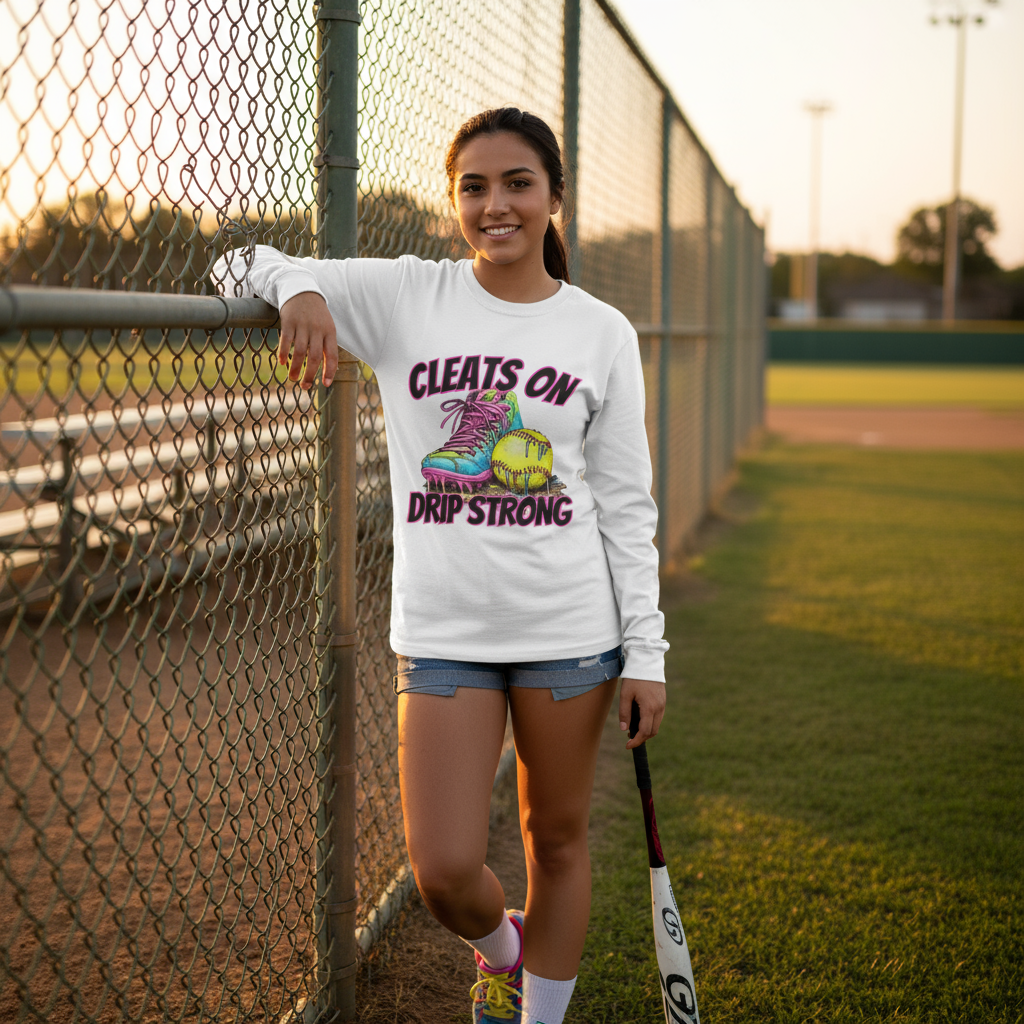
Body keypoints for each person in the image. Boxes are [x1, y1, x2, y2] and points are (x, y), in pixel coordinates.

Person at [213, 107, 667, 1024]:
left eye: (518, 184)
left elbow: (626, 506)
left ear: (554, 197)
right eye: (475, 187)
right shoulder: (408, 296)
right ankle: (503, 952)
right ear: (454, 199)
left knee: (557, 841)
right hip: (445, 633)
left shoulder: (600, 331)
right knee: (445, 871)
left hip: (572, 633)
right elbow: (233, 263)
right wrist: (299, 287)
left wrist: (646, 652)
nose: (496, 205)